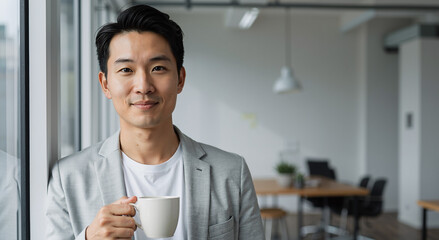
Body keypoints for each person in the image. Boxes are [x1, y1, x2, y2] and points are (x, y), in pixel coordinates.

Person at [46, 4, 264, 240]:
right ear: (105, 84)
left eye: (158, 68)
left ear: (180, 79)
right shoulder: (69, 177)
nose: (143, 86)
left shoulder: (231, 172)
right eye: (126, 70)